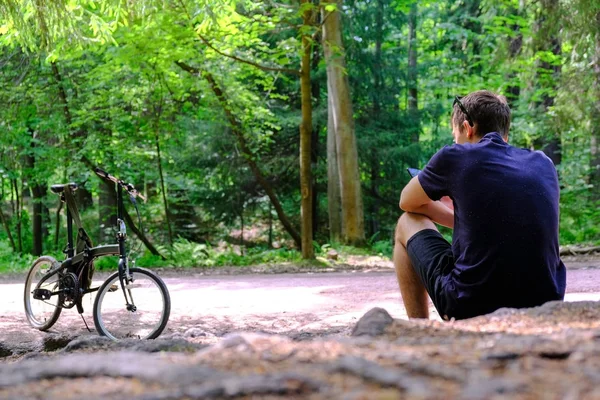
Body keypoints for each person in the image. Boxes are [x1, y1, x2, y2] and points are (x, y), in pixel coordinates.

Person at [394, 90, 566, 320]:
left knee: (407, 221)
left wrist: (449, 212)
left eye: (456, 135)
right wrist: (466, 216)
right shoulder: (543, 163)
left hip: (469, 305)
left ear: (468, 127)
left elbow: (406, 202)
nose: (456, 142)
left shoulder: (455, 156)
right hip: (544, 303)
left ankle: (419, 330)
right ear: (505, 134)